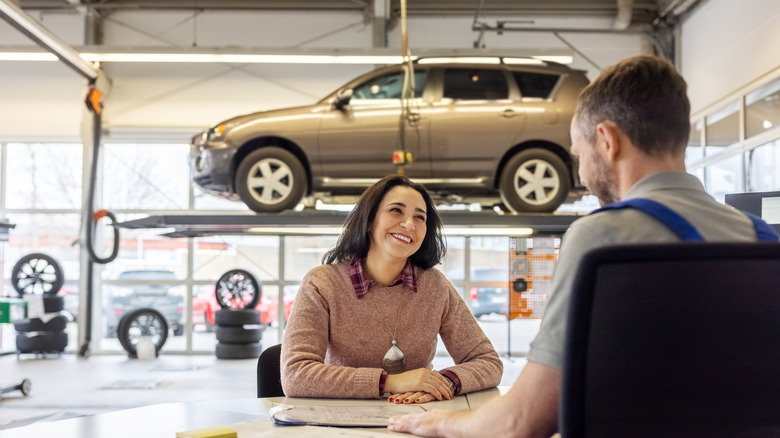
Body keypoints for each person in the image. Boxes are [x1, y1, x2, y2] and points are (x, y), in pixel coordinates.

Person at [387, 55, 779, 436]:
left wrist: (434, 422)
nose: (581, 171)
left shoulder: (599, 237)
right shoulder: (763, 239)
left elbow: (521, 422)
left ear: (607, 140)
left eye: (578, 153)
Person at [280, 174, 503, 403]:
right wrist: (391, 382)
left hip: (415, 417)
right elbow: (296, 374)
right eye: (396, 210)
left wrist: (444, 381)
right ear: (368, 221)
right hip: (340, 422)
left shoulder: (435, 286)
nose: (409, 224)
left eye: (419, 217)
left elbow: (488, 362)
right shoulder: (322, 284)